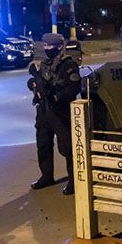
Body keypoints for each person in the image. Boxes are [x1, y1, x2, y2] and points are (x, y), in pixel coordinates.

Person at [27, 33, 82, 194]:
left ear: (58, 47)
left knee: (67, 149)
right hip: (44, 111)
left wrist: (56, 95)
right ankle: (46, 176)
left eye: (49, 46)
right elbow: (38, 85)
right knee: (43, 145)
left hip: (61, 112)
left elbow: (73, 88)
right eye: (44, 46)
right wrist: (33, 84)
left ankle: (74, 181)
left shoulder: (68, 65)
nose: (46, 49)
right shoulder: (44, 65)